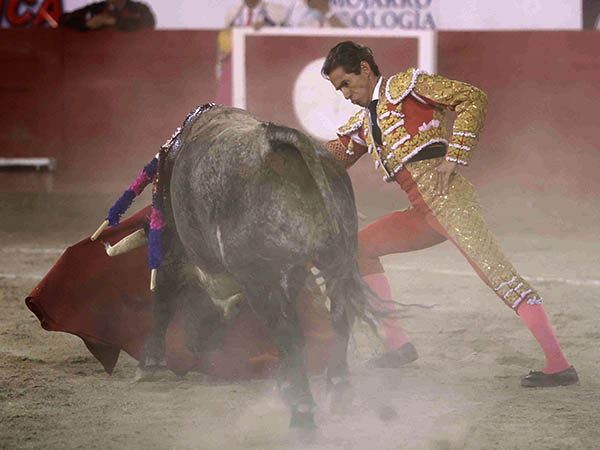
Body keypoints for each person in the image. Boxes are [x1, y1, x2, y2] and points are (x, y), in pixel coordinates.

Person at [320, 41, 578, 387]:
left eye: (346, 83)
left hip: (451, 201)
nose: (345, 94)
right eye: (339, 88)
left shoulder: (410, 87)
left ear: (365, 69)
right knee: (359, 248)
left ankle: (559, 365)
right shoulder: (365, 122)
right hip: (421, 212)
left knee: (497, 274)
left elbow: (472, 97)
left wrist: (455, 155)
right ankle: (397, 346)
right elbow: (329, 159)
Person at [215, 0, 290, 106]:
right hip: (237, 65)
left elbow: (285, 38)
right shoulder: (232, 12)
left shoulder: (277, 11)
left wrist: (268, 27)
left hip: (263, 65)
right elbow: (224, 43)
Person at [59, 0, 155, 32]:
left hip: (132, 58)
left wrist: (115, 22)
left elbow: (149, 23)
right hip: (97, 61)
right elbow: (64, 20)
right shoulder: (96, 8)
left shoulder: (139, 8)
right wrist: (86, 24)